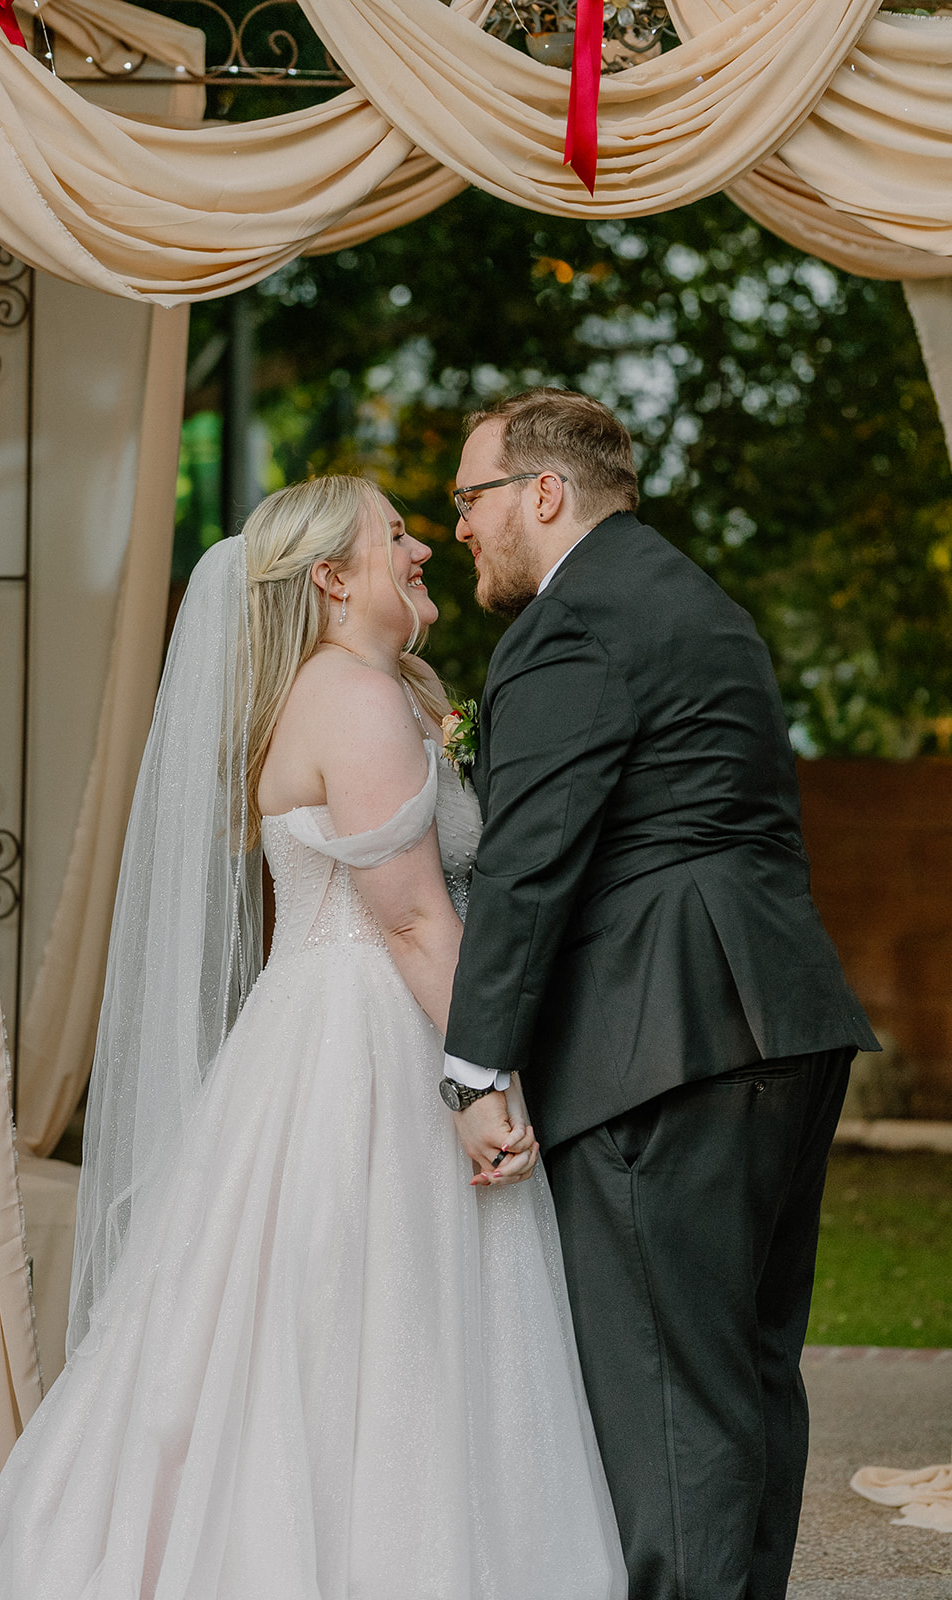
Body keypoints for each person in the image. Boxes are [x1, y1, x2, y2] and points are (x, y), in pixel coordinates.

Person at [0, 477, 625, 1600]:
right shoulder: (352, 698)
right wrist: (482, 1085)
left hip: (311, 1032)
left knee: (299, 1325)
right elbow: (415, 917)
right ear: (333, 576)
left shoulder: (354, 689)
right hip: (372, 1044)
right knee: (385, 1333)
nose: (423, 546)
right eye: (396, 535)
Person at [440, 389, 880, 1600]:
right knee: (746, 1373)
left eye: (471, 498)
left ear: (543, 492)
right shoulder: (700, 604)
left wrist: (476, 1066)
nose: (462, 526)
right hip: (778, 1015)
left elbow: (534, 862)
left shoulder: (573, 622)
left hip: (661, 1041)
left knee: (670, 1405)